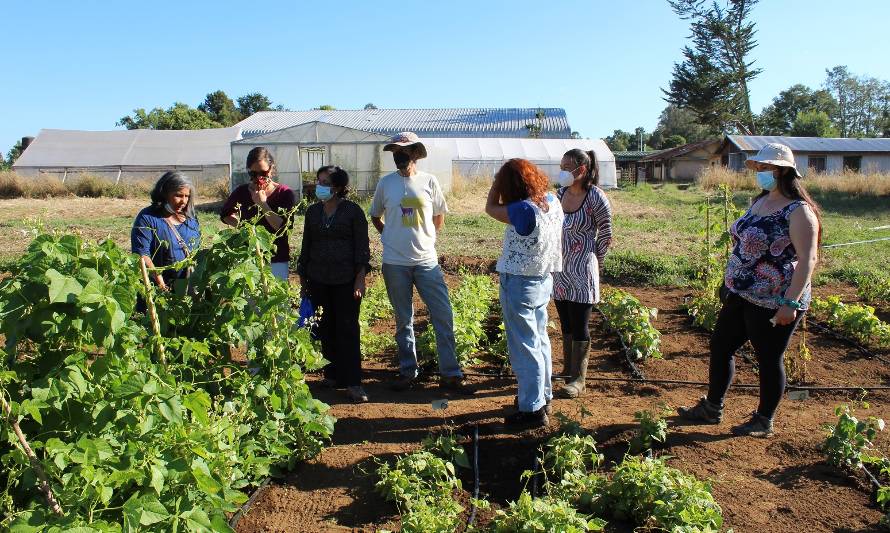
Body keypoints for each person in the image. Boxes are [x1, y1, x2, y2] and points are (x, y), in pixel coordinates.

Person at [678, 143, 821, 438]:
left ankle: (763, 419)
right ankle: (712, 407)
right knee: (721, 346)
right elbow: (743, 244)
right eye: (759, 167)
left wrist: (789, 303)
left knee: (768, 357)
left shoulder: (799, 212)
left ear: (782, 171)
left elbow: (808, 260)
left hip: (774, 298)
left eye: (765, 168)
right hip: (742, 292)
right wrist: (728, 281)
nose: (759, 172)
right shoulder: (761, 201)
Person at [368, 132, 470, 394]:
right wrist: (389, 236)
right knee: (403, 319)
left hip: (426, 261)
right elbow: (376, 216)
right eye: (395, 153)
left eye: (404, 152)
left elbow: (439, 216)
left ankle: (450, 373)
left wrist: (428, 239)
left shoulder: (429, 181)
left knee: (442, 314)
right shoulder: (385, 184)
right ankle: (408, 370)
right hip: (394, 263)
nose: (399, 156)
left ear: (415, 154)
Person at [485, 158, 564, 429]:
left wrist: (495, 184)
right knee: (540, 341)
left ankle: (532, 410)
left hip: (519, 283)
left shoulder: (521, 210)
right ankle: (544, 397)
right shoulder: (553, 202)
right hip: (543, 279)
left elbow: (490, 208)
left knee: (524, 347)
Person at [297, 166, 371, 403]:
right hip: (318, 277)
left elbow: (362, 247)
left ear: (338, 187)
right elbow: (306, 245)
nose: (319, 186)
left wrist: (360, 278)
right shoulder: (313, 212)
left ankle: (353, 382)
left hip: (345, 280)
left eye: (325, 182)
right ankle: (332, 374)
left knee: (347, 329)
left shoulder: (352, 212)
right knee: (324, 327)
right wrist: (303, 279)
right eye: (318, 181)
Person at [553, 149, 613, 399]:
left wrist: (593, 263)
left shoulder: (596, 197)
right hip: (560, 270)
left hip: (582, 270)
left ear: (582, 170)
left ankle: (579, 380)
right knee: (566, 323)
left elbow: (606, 234)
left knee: (580, 325)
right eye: (561, 165)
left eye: (568, 167)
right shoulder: (559, 194)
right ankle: (568, 369)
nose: (563, 171)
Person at [220, 147, 296, 281]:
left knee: (276, 297)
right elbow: (225, 214)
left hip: (275, 257)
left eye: (263, 172)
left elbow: (283, 228)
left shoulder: (284, 193)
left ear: (271, 169)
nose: (259, 177)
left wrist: (262, 204)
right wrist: (243, 227)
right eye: (253, 173)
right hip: (249, 257)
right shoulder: (241, 192)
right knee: (251, 299)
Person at [132, 171, 201, 292]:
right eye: (178, 195)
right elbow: (142, 255)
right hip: (159, 289)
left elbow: (198, 249)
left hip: (187, 289)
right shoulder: (148, 218)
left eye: (187, 196)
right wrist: (160, 283)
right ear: (164, 194)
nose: (183, 201)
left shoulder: (191, 218)